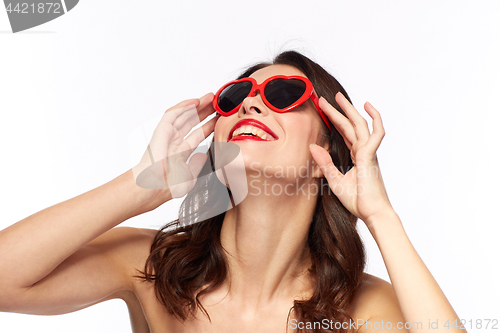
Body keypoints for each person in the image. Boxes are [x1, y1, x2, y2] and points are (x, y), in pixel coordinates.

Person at [0, 51, 465, 333]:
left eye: (284, 93)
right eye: (234, 97)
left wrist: (380, 215)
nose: (250, 101)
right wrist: (139, 188)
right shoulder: (151, 268)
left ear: (328, 147)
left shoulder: (359, 310)